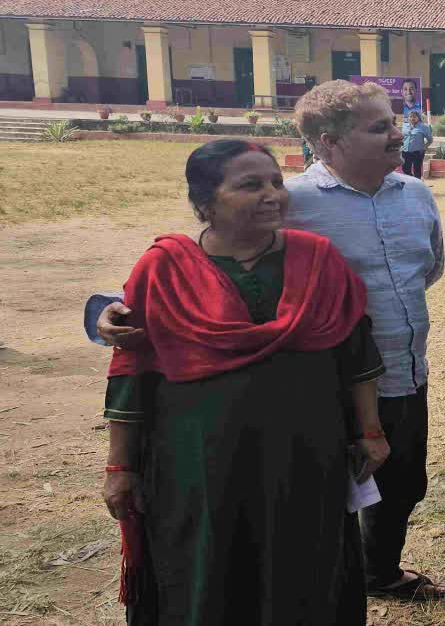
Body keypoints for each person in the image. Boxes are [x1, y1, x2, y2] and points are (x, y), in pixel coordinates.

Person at [93, 80, 445, 602]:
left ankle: (379, 569)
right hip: (278, 409)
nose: (398, 134)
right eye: (380, 126)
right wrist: (108, 310)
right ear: (329, 142)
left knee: (395, 488)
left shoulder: (413, 199)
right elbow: (201, 266)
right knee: (266, 518)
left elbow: (428, 271)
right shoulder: (294, 203)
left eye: (394, 123)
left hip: (392, 376)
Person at [100, 139, 388, 625]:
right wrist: (120, 466)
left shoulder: (317, 260)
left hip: (303, 454)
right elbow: (133, 369)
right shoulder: (165, 267)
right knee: (205, 561)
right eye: (250, 185)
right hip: (196, 460)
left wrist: (371, 432)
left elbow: (355, 352)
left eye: (276, 181)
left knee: (302, 560)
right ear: (205, 202)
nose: (272, 194)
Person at [401, 110, 434, 178]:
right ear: (408, 118)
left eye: (414, 117)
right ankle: (411, 182)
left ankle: (417, 185)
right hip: (405, 151)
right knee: (405, 169)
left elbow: (430, 140)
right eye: (410, 117)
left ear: (418, 118)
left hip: (418, 152)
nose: (412, 118)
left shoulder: (423, 127)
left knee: (417, 170)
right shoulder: (405, 126)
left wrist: (424, 147)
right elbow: (402, 137)